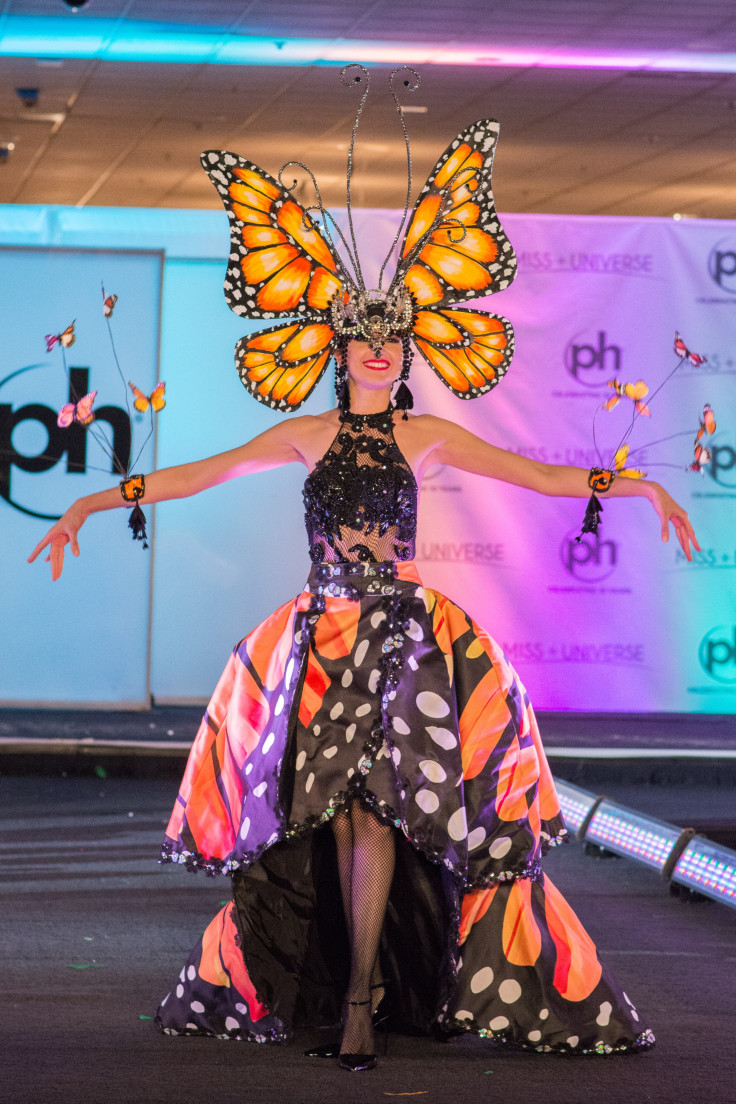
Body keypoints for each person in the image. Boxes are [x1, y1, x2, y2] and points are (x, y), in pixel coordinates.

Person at [28, 331, 698, 1070]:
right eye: (364, 338)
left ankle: (358, 1008)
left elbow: (538, 476)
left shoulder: (428, 436)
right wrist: (88, 503)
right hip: (322, 647)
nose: (379, 349)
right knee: (339, 818)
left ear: (404, 357)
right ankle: (361, 988)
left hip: (404, 644)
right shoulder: (305, 435)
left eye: (392, 339)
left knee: (377, 810)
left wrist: (641, 488)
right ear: (339, 354)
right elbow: (193, 478)